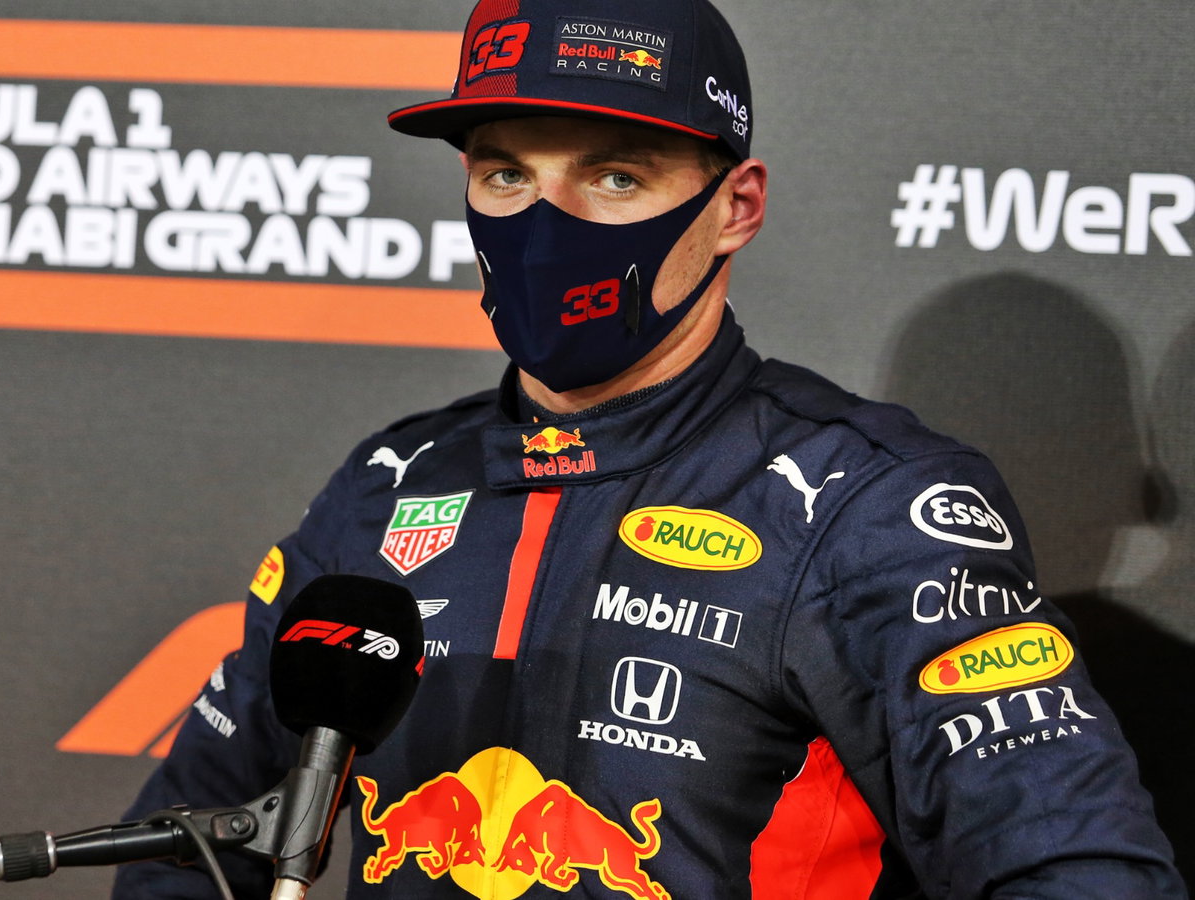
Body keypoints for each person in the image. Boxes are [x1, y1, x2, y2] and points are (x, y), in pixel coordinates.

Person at [113, 0, 1186, 896]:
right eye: (504, 176)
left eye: (615, 177)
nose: (545, 220)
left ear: (736, 207)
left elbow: (1075, 866)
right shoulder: (392, 486)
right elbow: (189, 843)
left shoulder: (870, 504)